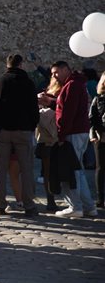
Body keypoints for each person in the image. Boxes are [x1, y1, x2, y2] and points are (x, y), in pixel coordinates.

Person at [40, 61, 96, 218]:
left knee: (70, 171)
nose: (53, 76)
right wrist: (52, 103)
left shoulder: (72, 85)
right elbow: (64, 108)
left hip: (73, 132)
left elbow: (68, 113)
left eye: (56, 72)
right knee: (78, 170)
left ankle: (75, 206)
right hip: (78, 131)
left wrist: (61, 136)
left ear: (66, 70)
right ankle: (88, 206)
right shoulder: (74, 84)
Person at [0, 54, 39, 217]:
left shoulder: (0, 81)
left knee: (1, 169)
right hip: (23, 130)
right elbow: (33, 108)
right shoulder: (28, 83)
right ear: (21, 65)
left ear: (7, 65)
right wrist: (31, 126)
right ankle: (29, 205)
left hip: (3, 131)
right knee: (26, 169)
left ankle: (0, 205)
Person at [36, 77, 61, 212]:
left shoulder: (55, 96)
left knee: (48, 171)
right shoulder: (49, 97)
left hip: (49, 139)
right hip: (49, 139)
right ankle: (51, 200)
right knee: (48, 171)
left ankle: (51, 199)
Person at [89, 71, 105, 209]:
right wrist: (97, 132)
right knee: (100, 169)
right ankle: (100, 199)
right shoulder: (98, 99)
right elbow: (93, 118)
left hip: (100, 137)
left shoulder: (98, 99)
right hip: (101, 137)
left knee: (100, 169)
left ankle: (101, 199)